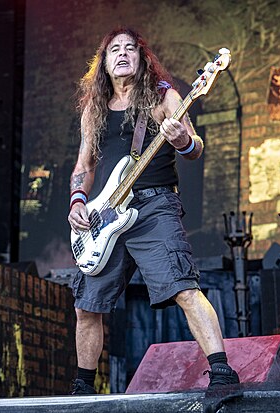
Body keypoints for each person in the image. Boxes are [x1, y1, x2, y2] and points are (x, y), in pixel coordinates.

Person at [67, 27, 239, 395]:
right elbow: (84, 165)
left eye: (130, 48)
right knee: (87, 304)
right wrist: (78, 200)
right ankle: (82, 388)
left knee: (184, 288)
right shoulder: (94, 110)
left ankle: (223, 374)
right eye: (115, 49)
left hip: (155, 206)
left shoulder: (162, 96)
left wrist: (183, 140)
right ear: (104, 63)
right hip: (106, 215)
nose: (123, 53)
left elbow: (194, 147)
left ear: (142, 59)